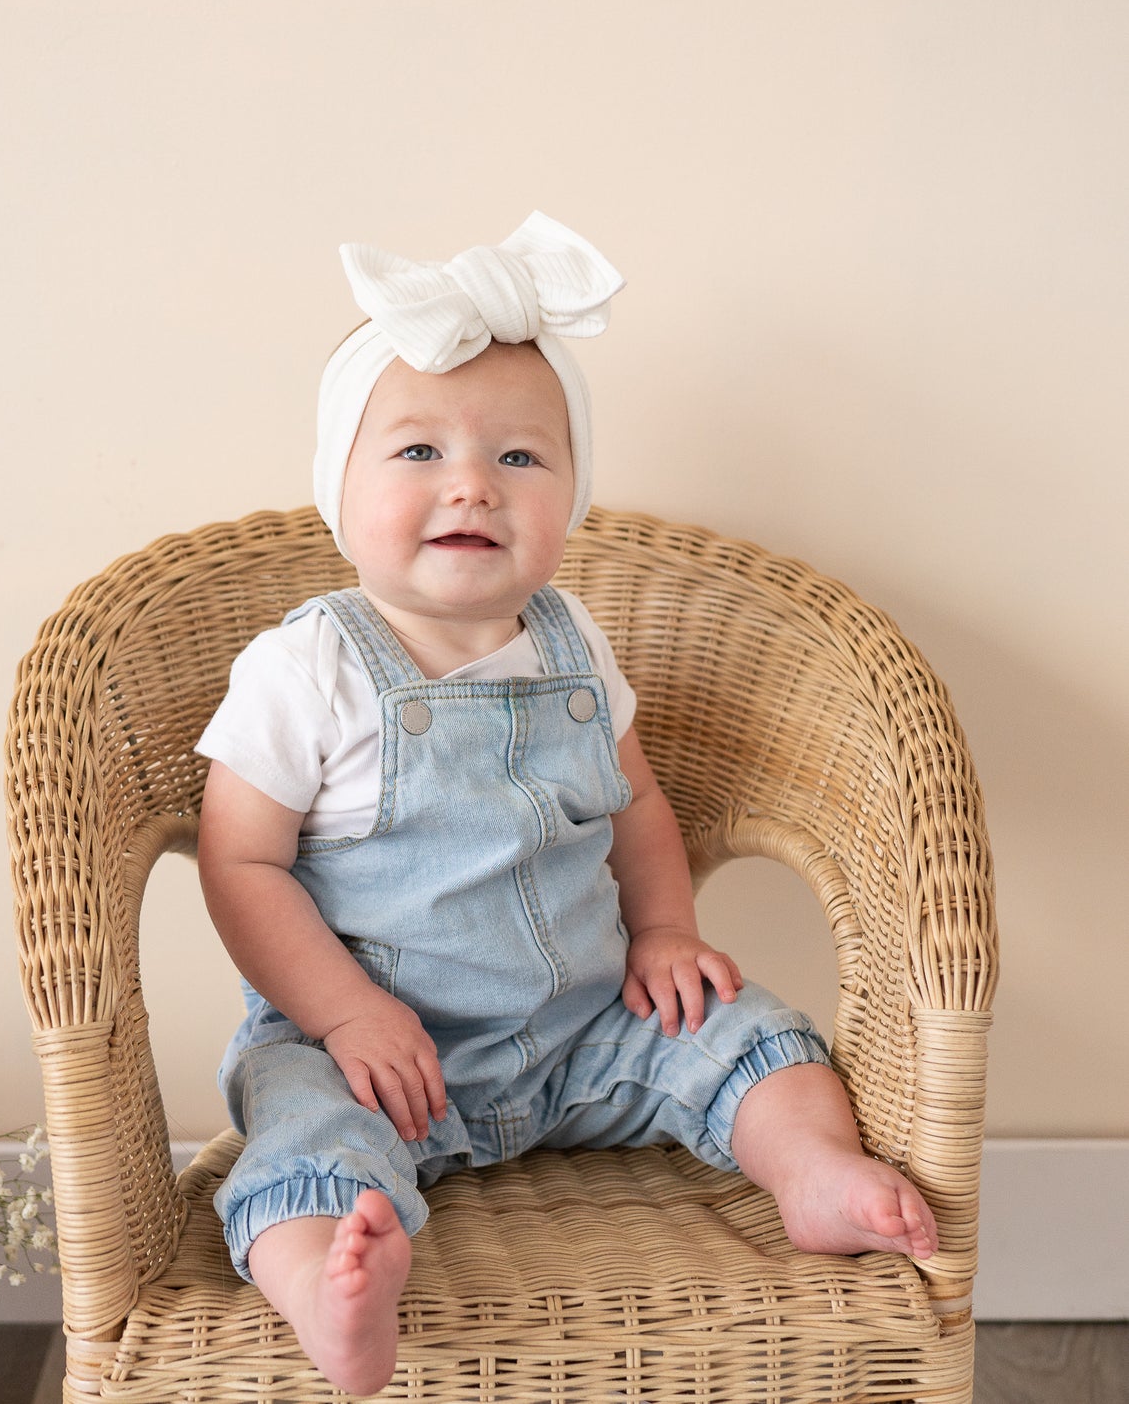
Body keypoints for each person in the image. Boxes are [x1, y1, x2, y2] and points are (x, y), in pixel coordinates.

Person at [195, 213, 938, 1396]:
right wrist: (342, 1014)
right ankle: (330, 1287)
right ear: (337, 484)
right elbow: (238, 863)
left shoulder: (571, 639)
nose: (471, 484)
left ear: (570, 494)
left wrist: (664, 930)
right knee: (300, 1133)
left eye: (519, 458)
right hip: (377, 1056)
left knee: (744, 1034)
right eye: (418, 450)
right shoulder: (308, 667)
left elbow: (633, 799)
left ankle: (809, 1171)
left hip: (584, 1032)